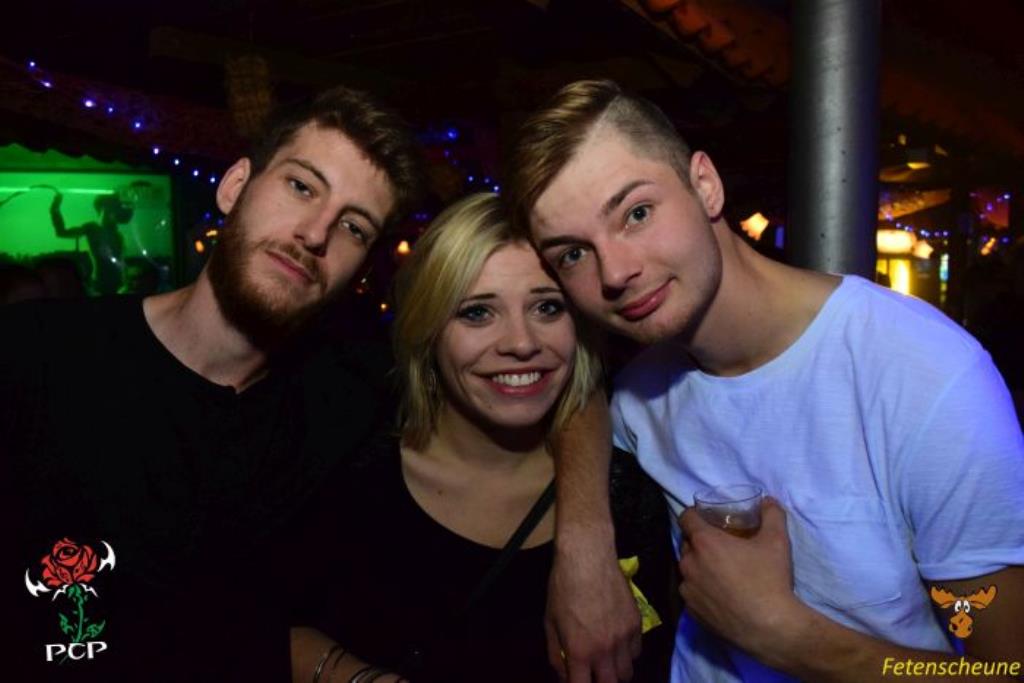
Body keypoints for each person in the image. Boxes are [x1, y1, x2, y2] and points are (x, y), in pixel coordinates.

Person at [505, 79, 1024, 682]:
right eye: (573, 254)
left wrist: (784, 634)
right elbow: (584, 401)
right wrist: (582, 547)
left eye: (637, 213)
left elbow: (1004, 670)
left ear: (705, 185)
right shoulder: (642, 389)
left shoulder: (926, 377)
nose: (616, 272)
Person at [2, 85, 424, 681]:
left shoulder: (348, 406)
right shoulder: (34, 355)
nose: (315, 233)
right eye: (302, 186)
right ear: (234, 187)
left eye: (354, 227)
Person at [289, 193, 674, 683]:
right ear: (428, 330)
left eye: (548, 307)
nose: (521, 343)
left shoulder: (631, 498)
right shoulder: (347, 468)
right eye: (476, 313)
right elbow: (243, 621)